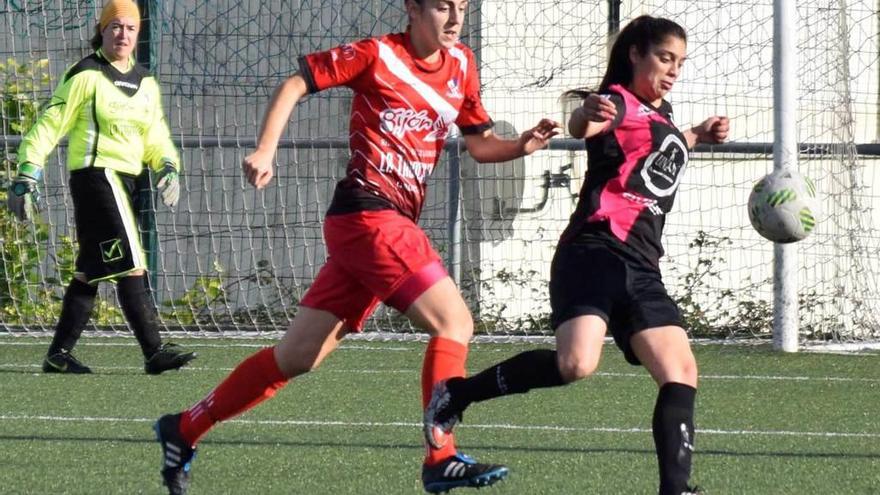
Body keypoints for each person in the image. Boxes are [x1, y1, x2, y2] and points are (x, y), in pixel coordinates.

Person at [152, 0, 560, 493]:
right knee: (455, 322)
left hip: (378, 228)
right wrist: (265, 148)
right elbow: (295, 82)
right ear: (412, 8)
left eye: (464, 7)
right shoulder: (376, 55)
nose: (455, 18)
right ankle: (440, 456)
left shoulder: (462, 66)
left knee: (298, 355)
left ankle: (184, 427)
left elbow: (479, 143)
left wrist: (521, 146)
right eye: (442, 6)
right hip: (368, 215)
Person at [423, 15, 729, 495]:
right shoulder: (617, 104)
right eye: (665, 58)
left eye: (680, 62)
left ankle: (677, 490)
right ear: (636, 55)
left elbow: (658, 147)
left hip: (643, 265)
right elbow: (584, 126)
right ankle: (457, 395)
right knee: (575, 365)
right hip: (594, 252)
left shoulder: (661, 113)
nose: (673, 70)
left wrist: (696, 134)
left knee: (680, 369)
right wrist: (586, 113)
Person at [6, 0, 196, 375]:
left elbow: (155, 133)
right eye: (115, 27)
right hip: (97, 177)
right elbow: (50, 123)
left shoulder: (146, 82)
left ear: (137, 34)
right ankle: (154, 351)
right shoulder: (86, 75)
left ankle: (57, 356)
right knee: (133, 261)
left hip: (126, 181)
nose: (122, 34)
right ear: (103, 30)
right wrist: (28, 169)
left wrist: (168, 166)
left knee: (90, 269)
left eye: (130, 28)